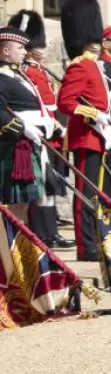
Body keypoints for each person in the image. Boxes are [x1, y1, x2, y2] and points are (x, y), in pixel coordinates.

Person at [57, 0, 111, 262]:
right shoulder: (80, 66)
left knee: (97, 194)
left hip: (98, 136)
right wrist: (95, 116)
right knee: (85, 194)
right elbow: (66, 102)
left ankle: (95, 241)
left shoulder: (92, 64)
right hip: (87, 137)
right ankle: (86, 246)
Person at [9, 10, 69, 248]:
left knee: (50, 187)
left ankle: (50, 230)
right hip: (37, 134)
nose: (41, 49)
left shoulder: (37, 71)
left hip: (50, 133)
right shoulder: (26, 73)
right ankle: (42, 232)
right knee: (40, 188)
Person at [0, 26, 52, 225]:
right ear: (6, 51)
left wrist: (51, 125)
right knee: (15, 204)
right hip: (15, 147)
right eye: (20, 48)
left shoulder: (19, 75)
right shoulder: (2, 78)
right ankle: (12, 243)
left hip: (28, 144)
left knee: (24, 204)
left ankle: (20, 241)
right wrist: (22, 128)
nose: (25, 52)